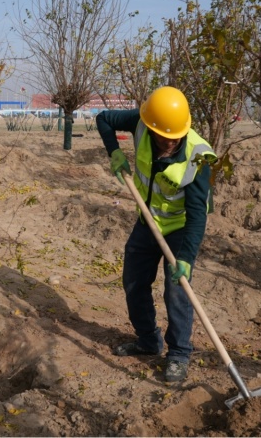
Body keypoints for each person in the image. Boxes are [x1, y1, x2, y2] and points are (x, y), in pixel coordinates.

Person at [96, 85, 216, 383]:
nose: (168, 143)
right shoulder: (142, 121)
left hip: (178, 228)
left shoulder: (199, 155)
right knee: (134, 283)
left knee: (177, 292)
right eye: (163, 136)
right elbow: (103, 119)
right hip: (146, 222)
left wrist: (186, 258)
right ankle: (148, 342)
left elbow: (198, 213)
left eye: (175, 138)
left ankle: (179, 354)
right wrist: (114, 152)